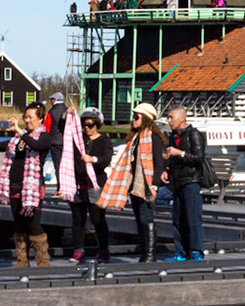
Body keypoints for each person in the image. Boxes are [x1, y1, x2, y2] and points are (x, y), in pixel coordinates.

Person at [98, 102, 165, 261]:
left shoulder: (153, 137)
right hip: (135, 185)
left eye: (136, 117)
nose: (133, 120)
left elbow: (158, 162)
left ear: (146, 119)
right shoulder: (135, 138)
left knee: (146, 217)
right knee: (139, 219)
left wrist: (154, 185)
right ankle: (144, 252)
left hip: (146, 184)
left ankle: (149, 255)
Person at [0, 103, 54, 266]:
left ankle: (43, 262)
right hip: (15, 186)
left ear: (40, 119)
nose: (27, 121)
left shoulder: (44, 136)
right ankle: (22, 260)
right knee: (19, 225)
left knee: (33, 225)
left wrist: (19, 130)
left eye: (30, 117)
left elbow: (37, 146)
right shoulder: (18, 139)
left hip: (32, 188)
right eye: (25, 117)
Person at [158, 104, 210, 259]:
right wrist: (166, 169)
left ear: (181, 118)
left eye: (171, 117)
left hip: (191, 181)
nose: (168, 120)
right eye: (168, 117)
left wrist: (179, 153)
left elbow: (198, 157)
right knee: (178, 218)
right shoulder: (173, 136)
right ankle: (181, 251)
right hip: (177, 182)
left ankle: (196, 251)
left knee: (192, 218)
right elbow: (172, 157)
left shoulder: (193, 134)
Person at [67, 108, 114, 264]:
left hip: (95, 185)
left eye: (90, 124)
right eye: (84, 124)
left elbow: (106, 159)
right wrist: (67, 115)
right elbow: (61, 131)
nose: (86, 127)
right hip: (78, 184)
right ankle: (78, 250)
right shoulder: (78, 139)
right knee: (77, 219)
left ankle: (103, 249)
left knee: (97, 219)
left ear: (97, 124)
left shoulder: (104, 140)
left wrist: (93, 159)